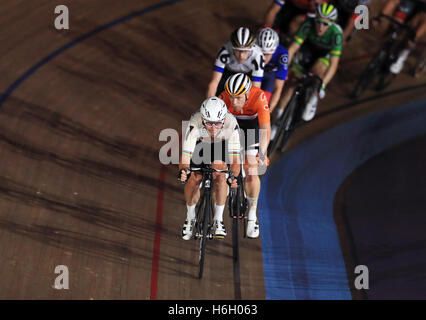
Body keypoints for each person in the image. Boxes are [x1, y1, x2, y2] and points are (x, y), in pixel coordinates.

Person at [271, 2, 342, 138]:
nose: (321, 27)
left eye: (325, 24)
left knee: (319, 69)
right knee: (292, 83)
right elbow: (292, 49)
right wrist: (285, 70)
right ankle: (277, 119)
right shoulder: (308, 25)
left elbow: (333, 65)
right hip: (307, 51)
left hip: (323, 56)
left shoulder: (336, 34)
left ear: (332, 24)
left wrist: (322, 85)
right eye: (319, 22)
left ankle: (312, 97)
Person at [178, 97, 241, 240]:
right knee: (194, 177)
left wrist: (234, 176)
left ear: (224, 119)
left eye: (217, 123)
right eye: (209, 123)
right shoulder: (195, 122)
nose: (213, 128)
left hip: (221, 145)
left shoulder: (232, 124)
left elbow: (235, 160)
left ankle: (218, 219)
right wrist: (184, 170)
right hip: (200, 144)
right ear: (203, 118)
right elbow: (186, 155)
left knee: (220, 175)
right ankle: (190, 217)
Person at [218, 73, 271, 239]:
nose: (234, 102)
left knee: (251, 171)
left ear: (248, 94)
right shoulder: (223, 98)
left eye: (239, 98)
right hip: (231, 127)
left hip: (252, 129)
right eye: (231, 97)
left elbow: (265, 129)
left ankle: (253, 216)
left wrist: (261, 152)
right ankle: (217, 215)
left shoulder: (259, 97)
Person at [206, 27, 265, 98]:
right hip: (228, 73)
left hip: (247, 75)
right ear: (232, 47)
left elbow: (256, 89)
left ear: (251, 48)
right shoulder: (224, 51)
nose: (241, 55)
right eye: (238, 50)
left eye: (245, 51)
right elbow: (213, 83)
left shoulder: (258, 56)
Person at [372, 0, 426, 74]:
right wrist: (379, 17)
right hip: (410, 3)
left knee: (413, 33)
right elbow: (393, 2)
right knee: (394, 25)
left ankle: (401, 57)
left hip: (423, 10)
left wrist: (414, 37)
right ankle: (382, 51)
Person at [257, 27, 289, 112]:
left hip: (269, 75)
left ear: (274, 51)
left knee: (264, 102)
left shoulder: (282, 55)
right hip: (254, 70)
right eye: (261, 53)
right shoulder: (252, 48)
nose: (263, 58)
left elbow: (278, 88)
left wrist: (268, 112)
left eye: (267, 54)